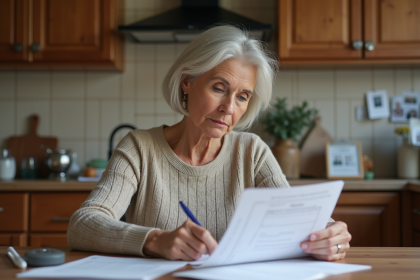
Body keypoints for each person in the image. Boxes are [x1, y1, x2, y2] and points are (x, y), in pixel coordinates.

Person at [67, 25, 351, 262]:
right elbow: (82, 225)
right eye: (219, 88)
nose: (229, 108)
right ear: (187, 82)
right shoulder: (139, 148)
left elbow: (297, 221)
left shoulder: (252, 152)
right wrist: (155, 240)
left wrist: (328, 234)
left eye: (242, 96)